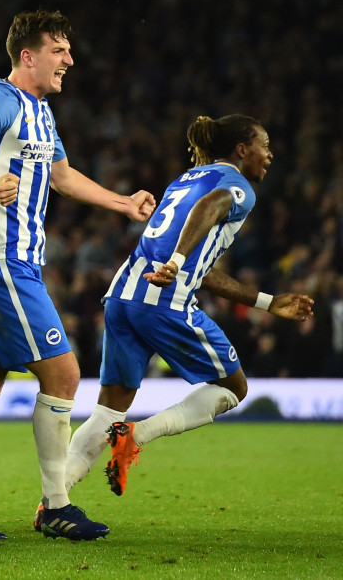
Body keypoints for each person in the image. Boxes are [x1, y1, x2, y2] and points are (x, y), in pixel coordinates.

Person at [0, 10, 156, 542]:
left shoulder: (42, 113)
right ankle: (56, 504)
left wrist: (122, 203)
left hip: (13, 265)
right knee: (64, 375)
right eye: (59, 50)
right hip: (1, 262)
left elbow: (60, 175)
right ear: (27, 56)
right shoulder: (1, 100)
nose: (70, 60)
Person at [64, 114, 314, 500]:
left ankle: (53, 499)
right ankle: (137, 435)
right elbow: (212, 207)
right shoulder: (236, 185)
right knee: (232, 387)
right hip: (163, 300)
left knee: (107, 411)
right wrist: (178, 264)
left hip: (122, 295)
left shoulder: (184, 180)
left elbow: (206, 270)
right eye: (264, 145)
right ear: (242, 149)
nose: (270, 154)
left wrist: (266, 302)